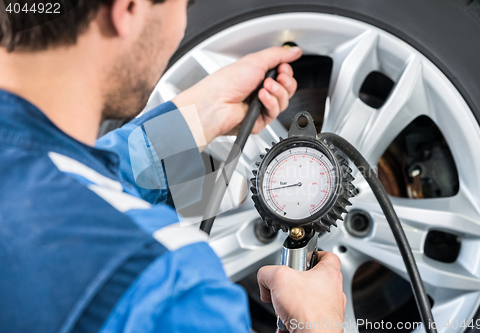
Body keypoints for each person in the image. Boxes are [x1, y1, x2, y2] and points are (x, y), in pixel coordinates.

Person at [0, 0, 346, 332]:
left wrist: (197, 116)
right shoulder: (167, 285)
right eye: (186, 5)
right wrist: (320, 324)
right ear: (129, 8)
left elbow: (70, 185)